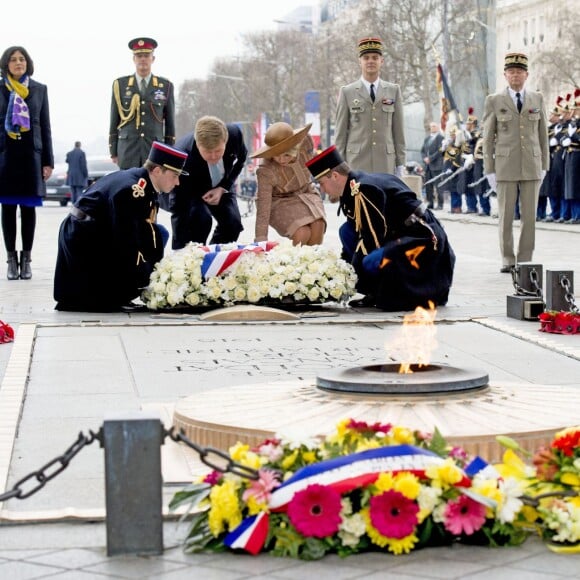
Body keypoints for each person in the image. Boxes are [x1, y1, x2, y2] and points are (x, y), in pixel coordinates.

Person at [305, 146, 455, 311]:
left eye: (322, 183)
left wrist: (347, 275)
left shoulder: (364, 190)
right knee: (346, 231)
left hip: (420, 238)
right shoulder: (353, 187)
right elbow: (361, 231)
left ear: (335, 176)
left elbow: (371, 239)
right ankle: (375, 289)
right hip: (401, 232)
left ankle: (388, 292)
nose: (323, 190)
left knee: (370, 260)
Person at [53, 141, 188, 312]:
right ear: (157, 170)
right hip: (85, 238)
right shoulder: (132, 190)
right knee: (138, 255)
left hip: (94, 231)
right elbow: (126, 241)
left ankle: (119, 293)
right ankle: (111, 295)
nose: (177, 182)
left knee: (159, 234)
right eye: (174, 175)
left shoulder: (141, 182)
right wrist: (149, 280)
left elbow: (143, 231)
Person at [482, 52, 549, 273]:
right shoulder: (494, 100)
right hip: (505, 166)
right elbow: (488, 137)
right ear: (505, 75)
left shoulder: (537, 99)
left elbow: (542, 134)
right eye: (511, 72)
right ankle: (508, 259)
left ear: (526, 75)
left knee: (529, 217)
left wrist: (544, 164)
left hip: (531, 164)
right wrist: (489, 169)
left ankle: (526, 258)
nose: (515, 76)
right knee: (506, 216)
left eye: (519, 72)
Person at [0, 45, 53, 281]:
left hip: (31, 156)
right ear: (6, 65)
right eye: (13, 60)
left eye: (22, 59)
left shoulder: (39, 90)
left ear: (27, 63)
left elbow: (46, 126)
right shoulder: (0, 89)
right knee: (8, 209)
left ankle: (27, 259)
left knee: (29, 209)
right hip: (6, 156)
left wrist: (48, 161)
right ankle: (11, 260)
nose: (18, 63)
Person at [163, 115, 247, 249]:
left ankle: (217, 256)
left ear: (225, 141)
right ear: (197, 144)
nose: (213, 156)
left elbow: (241, 160)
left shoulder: (235, 135)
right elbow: (178, 205)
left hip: (221, 183)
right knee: (201, 220)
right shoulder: (182, 154)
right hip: (191, 190)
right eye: (207, 152)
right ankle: (194, 258)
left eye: (218, 150)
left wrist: (223, 187)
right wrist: (179, 250)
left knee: (233, 223)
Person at [334, 36, 406, 176]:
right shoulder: (347, 92)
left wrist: (400, 163)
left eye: (375, 57)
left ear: (382, 61)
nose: (371, 61)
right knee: (358, 198)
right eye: (366, 58)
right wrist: (339, 165)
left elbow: (398, 132)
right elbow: (340, 134)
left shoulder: (393, 91)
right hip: (356, 163)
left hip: (385, 162)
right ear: (359, 62)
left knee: (384, 198)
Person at [250, 122, 326, 245]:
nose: (281, 160)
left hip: (306, 193)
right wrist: (261, 241)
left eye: (286, 155)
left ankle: (313, 262)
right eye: (276, 155)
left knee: (319, 224)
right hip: (279, 201)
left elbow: (317, 165)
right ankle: (293, 263)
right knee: (302, 232)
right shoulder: (265, 170)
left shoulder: (305, 144)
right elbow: (263, 207)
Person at [109, 37, 175, 170]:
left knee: (153, 189)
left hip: (154, 150)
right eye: (139, 56)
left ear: (153, 58)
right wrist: (113, 150)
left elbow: (170, 124)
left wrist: (169, 151)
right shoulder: (120, 85)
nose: (143, 59)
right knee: (127, 188)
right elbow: (114, 120)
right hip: (127, 150)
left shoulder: (165, 86)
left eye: (146, 55)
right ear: (134, 59)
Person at [420, 122, 444, 209]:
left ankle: (440, 204)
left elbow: (440, 150)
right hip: (427, 166)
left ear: (438, 127)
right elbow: (422, 151)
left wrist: (430, 158)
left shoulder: (441, 138)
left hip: (436, 165)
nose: (432, 128)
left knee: (438, 185)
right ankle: (430, 203)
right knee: (428, 185)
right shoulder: (427, 139)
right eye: (431, 127)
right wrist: (424, 158)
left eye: (434, 126)